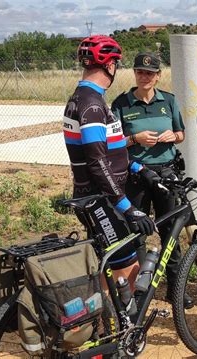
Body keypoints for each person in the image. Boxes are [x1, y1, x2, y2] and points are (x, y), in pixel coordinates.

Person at [63, 36, 156, 289]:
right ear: (110, 65)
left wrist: (137, 167)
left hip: (98, 197)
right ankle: (114, 325)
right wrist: (127, 207)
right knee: (127, 273)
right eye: (116, 62)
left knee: (108, 269)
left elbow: (110, 150)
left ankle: (104, 324)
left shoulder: (86, 98)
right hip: (100, 201)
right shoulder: (92, 104)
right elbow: (97, 161)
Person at [111, 52, 192, 308]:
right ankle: (138, 292)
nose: (144, 77)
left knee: (172, 232)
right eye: (139, 72)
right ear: (135, 74)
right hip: (135, 174)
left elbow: (181, 134)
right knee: (137, 233)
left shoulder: (167, 101)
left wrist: (173, 136)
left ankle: (176, 290)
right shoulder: (121, 104)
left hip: (166, 173)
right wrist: (135, 140)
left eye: (149, 73)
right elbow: (112, 144)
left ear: (158, 76)